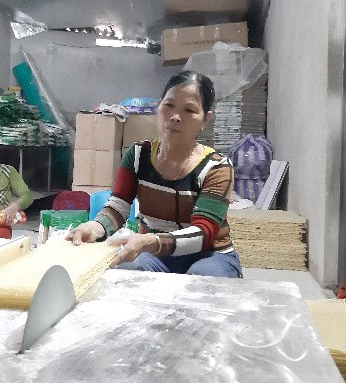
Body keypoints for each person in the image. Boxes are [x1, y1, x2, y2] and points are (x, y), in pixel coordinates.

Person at [67, 70, 243, 278]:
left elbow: (204, 233)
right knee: (122, 275)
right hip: (154, 254)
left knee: (201, 281)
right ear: (158, 107)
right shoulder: (138, 155)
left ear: (206, 119)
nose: (176, 117)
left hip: (209, 255)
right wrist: (95, 228)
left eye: (189, 110)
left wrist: (151, 241)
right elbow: (118, 207)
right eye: (168, 106)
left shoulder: (216, 167)